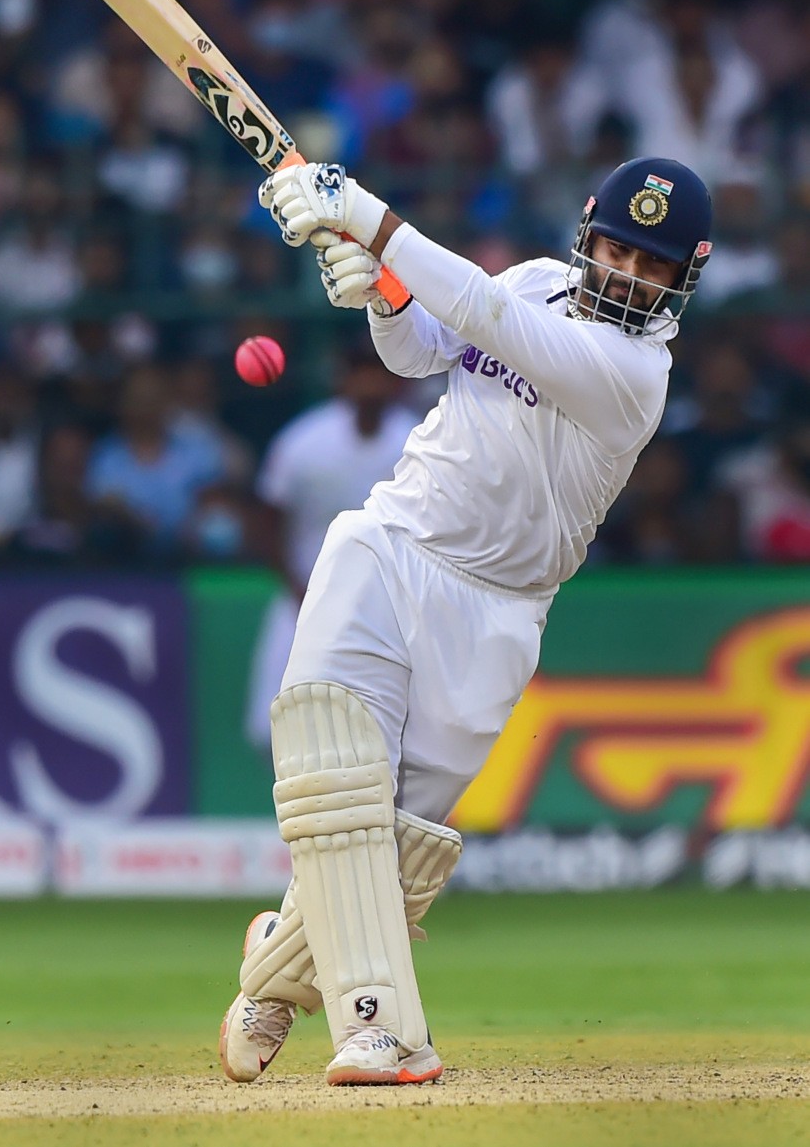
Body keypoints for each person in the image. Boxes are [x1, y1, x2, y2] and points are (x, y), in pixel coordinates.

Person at [218, 155, 713, 1088]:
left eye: (653, 266)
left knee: (400, 844)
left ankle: (279, 965)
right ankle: (385, 1031)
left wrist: (367, 217)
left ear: (683, 278)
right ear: (587, 232)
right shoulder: (535, 280)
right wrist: (385, 300)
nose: (628, 275)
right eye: (618, 249)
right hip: (392, 541)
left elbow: (488, 318)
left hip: (499, 612)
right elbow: (419, 352)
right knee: (332, 770)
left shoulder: (635, 374)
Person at [244, 340, 418, 754]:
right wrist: (297, 590)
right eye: (360, 372)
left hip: (391, 603)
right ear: (344, 381)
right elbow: (269, 520)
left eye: (378, 372)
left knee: (393, 725)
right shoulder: (304, 441)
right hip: (306, 598)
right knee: (277, 721)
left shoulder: (416, 439)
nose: (369, 383)